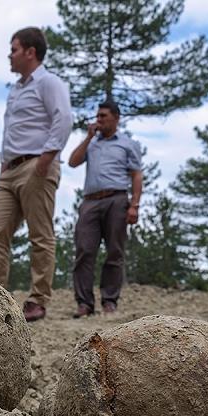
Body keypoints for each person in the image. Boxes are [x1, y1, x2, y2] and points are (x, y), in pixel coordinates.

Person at [0, 27, 73, 322]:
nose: (9, 55)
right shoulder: (15, 90)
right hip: (9, 170)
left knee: (40, 234)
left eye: (14, 49)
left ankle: (37, 299)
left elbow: (64, 119)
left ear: (30, 52)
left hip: (37, 165)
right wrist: (3, 163)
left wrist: (46, 159)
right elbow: (12, 130)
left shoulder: (49, 82)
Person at [68, 100, 143, 317]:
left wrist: (134, 205)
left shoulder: (128, 144)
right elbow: (73, 162)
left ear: (116, 118)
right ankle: (84, 303)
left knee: (114, 251)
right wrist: (88, 137)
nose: (98, 119)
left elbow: (136, 175)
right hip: (90, 201)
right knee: (84, 250)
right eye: (98, 115)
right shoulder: (91, 143)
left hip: (117, 199)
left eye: (103, 116)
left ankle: (109, 301)